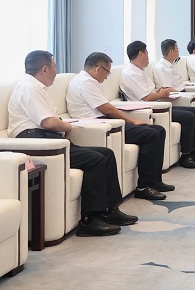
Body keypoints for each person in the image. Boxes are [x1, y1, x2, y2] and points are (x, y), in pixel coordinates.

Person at [7, 50, 136, 237]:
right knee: (95, 159)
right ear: (44, 69)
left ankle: (109, 210)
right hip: (37, 142)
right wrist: (66, 126)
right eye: (54, 67)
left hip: (49, 139)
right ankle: (89, 220)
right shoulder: (29, 88)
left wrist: (62, 127)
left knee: (106, 153)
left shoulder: (36, 87)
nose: (56, 71)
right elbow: (48, 122)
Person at [66, 52, 174, 201]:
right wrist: (131, 121)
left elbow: (106, 107)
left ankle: (155, 182)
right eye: (107, 72)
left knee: (158, 130)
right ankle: (144, 187)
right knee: (151, 134)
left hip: (104, 121)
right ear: (98, 68)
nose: (107, 77)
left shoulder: (88, 80)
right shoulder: (85, 82)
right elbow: (106, 109)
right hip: (97, 124)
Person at [119, 41, 195, 169]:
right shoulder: (130, 74)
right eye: (147, 53)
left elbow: (150, 91)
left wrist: (159, 91)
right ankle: (185, 155)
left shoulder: (140, 71)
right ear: (141, 53)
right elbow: (146, 97)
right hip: (151, 108)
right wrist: (161, 93)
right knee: (188, 116)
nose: (148, 56)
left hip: (159, 103)